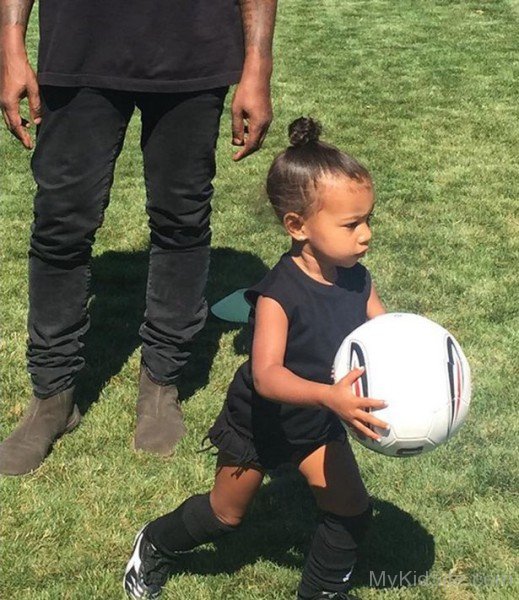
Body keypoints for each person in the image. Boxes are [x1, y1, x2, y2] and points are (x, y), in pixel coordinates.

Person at [0, 0, 277, 475]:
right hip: (78, 51)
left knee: (181, 221)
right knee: (61, 225)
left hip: (194, 50)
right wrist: (10, 44)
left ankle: (161, 383)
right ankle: (52, 395)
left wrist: (258, 64)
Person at [123, 117, 390, 600]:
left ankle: (322, 590)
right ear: (297, 226)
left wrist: (426, 350)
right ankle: (155, 544)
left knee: (352, 510)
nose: (366, 234)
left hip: (318, 419)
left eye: (369, 219)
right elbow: (266, 377)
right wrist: (330, 397)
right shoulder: (278, 295)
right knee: (225, 515)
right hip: (260, 423)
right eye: (352, 224)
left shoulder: (358, 279)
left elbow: (385, 335)